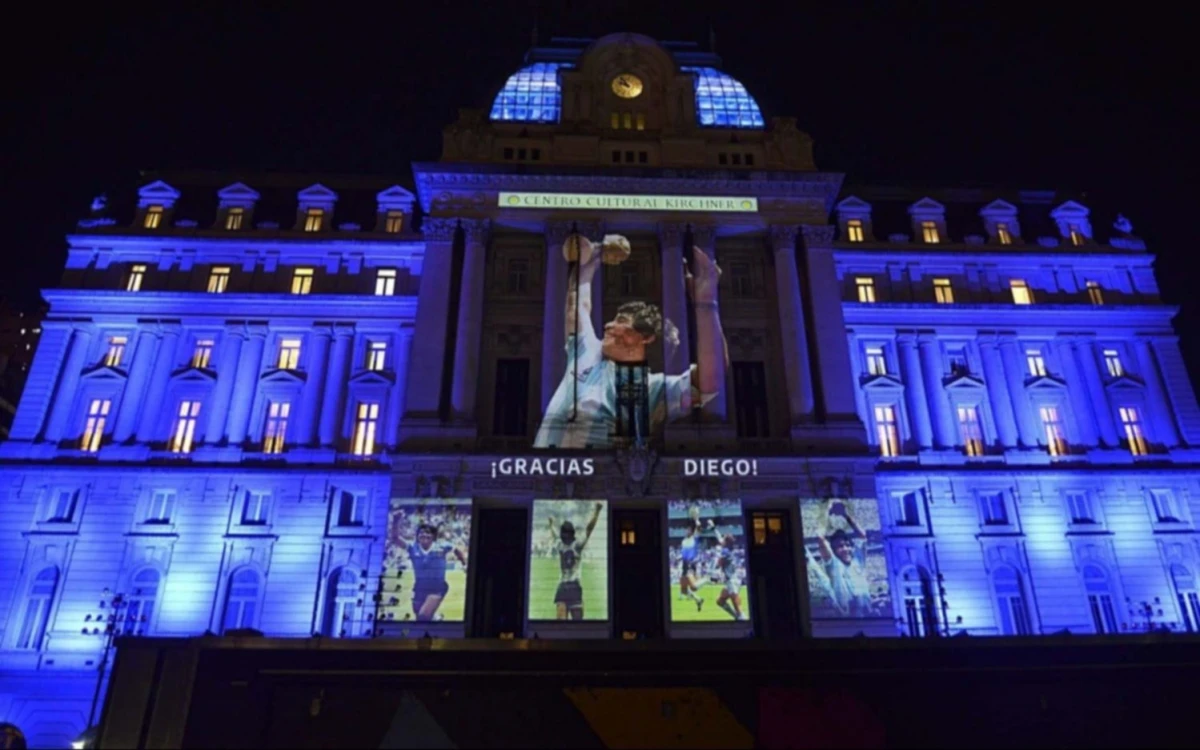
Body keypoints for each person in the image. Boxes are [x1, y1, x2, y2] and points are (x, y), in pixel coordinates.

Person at [534, 234, 727, 448]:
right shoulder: (588, 353)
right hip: (545, 470)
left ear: (646, 338)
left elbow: (711, 380)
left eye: (621, 321)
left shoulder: (654, 388)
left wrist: (707, 303)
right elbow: (576, 305)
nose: (607, 325)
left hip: (605, 477)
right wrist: (590, 261)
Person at [548, 502, 604, 620]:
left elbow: (554, 535)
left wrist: (551, 524)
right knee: (577, 625)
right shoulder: (577, 545)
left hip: (564, 586)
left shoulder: (560, 544)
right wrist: (597, 512)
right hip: (573, 586)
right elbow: (589, 530)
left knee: (564, 625)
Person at [815, 501, 872, 617]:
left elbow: (862, 536)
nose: (846, 549)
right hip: (846, 620)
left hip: (868, 618)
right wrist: (827, 513)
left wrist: (846, 515)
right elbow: (821, 538)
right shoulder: (834, 565)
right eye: (840, 546)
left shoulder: (857, 560)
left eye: (847, 545)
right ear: (834, 551)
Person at [403, 522, 467, 621]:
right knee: (419, 617)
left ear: (433, 536)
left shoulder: (442, 546)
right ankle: (436, 619)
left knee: (423, 616)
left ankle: (434, 621)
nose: (424, 535)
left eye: (428, 532)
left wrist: (464, 564)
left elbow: (456, 550)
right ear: (417, 535)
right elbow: (395, 539)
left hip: (437, 588)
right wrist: (396, 520)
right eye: (421, 532)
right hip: (419, 588)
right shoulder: (413, 547)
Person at [678, 516, 715, 611]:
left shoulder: (694, 538)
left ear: (691, 530)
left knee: (693, 587)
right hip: (684, 564)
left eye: (688, 529)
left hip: (690, 563)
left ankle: (706, 579)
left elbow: (698, 526)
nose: (686, 531)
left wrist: (696, 518)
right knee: (683, 590)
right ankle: (698, 600)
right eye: (686, 529)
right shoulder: (684, 540)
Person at [714, 534, 745, 620]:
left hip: (732, 580)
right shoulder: (728, 550)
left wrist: (717, 554)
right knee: (720, 601)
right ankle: (736, 617)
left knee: (738, 608)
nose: (721, 540)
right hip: (732, 580)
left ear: (726, 542)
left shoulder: (725, 551)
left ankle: (741, 619)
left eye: (723, 539)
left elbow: (718, 564)